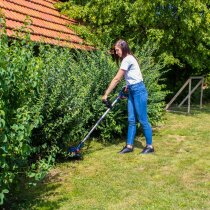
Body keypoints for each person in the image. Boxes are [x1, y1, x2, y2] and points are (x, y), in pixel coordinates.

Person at [102, 39, 154, 154]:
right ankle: (129, 146)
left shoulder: (127, 59)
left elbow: (117, 79)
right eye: (115, 51)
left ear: (124, 48)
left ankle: (150, 146)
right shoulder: (128, 59)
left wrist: (106, 94)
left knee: (142, 119)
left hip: (139, 91)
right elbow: (134, 76)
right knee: (131, 120)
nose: (116, 53)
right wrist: (127, 87)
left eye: (117, 50)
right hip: (132, 90)